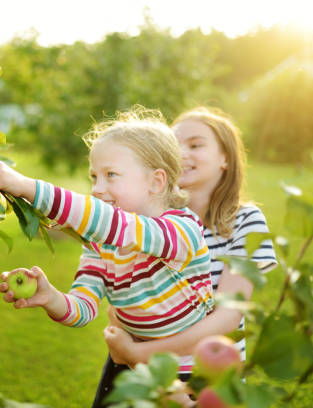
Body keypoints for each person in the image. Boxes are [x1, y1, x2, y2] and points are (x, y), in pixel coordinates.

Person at [0, 107, 216, 400]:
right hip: (132, 368)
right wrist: (51, 298)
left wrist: (24, 186)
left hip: (187, 375)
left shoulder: (181, 231)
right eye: (94, 176)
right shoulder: (102, 244)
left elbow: (116, 225)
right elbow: (83, 309)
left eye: (111, 175)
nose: (97, 189)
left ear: (156, 181)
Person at [101, 106, 277, 404]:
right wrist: (137, 361)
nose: (182, 153)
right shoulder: (144, 221)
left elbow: (228, 317)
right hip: (141, 374)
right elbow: (121, 306)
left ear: (226, 158)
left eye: (195, 144)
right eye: (174, 144)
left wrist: (140, 352)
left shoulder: (245, 221)